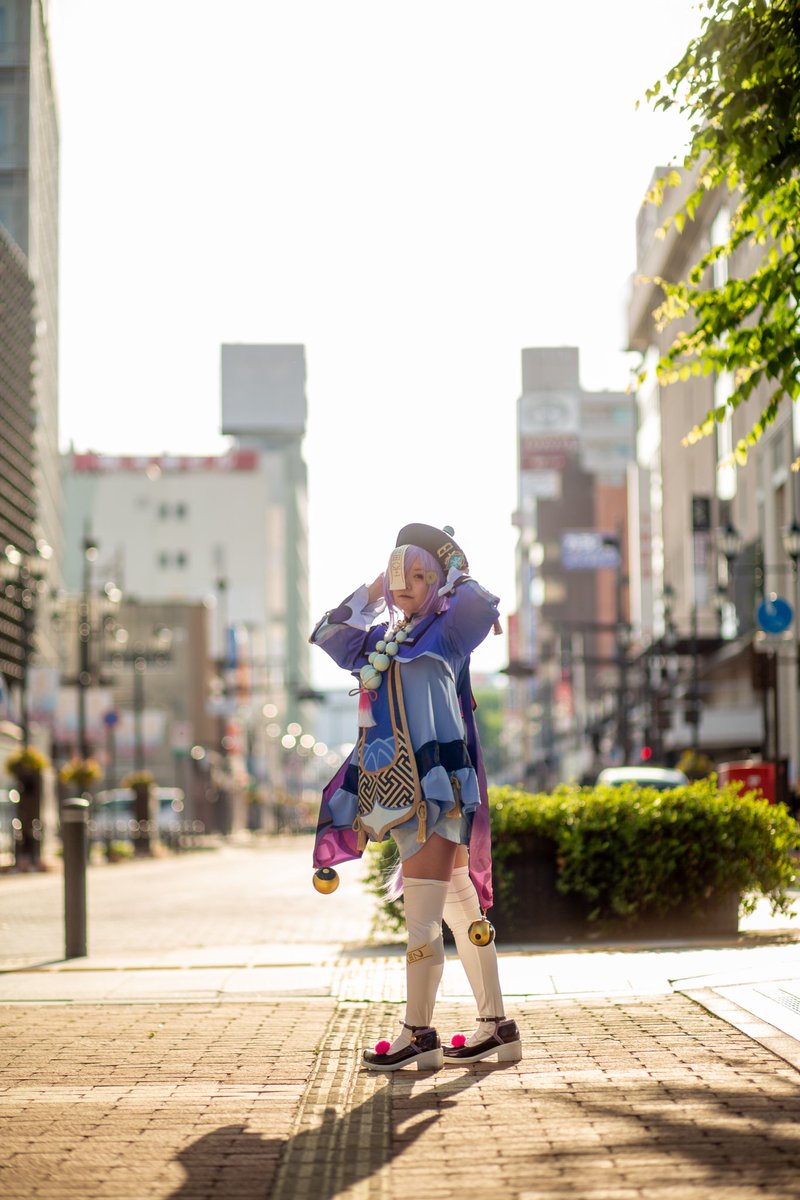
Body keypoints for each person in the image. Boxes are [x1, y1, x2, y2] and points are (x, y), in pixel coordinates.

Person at [309, 522, 521, 1072]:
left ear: (437, 582)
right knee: (460, 911)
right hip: (395, 790)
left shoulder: (448, 633)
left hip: (436, 789)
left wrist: (450, 562)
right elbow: (327, 632)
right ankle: (497, 1027)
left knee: (423, 918)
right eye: (400, 574)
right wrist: (377, 587)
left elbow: (481, 603)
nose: (406, 584)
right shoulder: (382, 642)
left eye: (418, 575)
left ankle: (419, 1033)